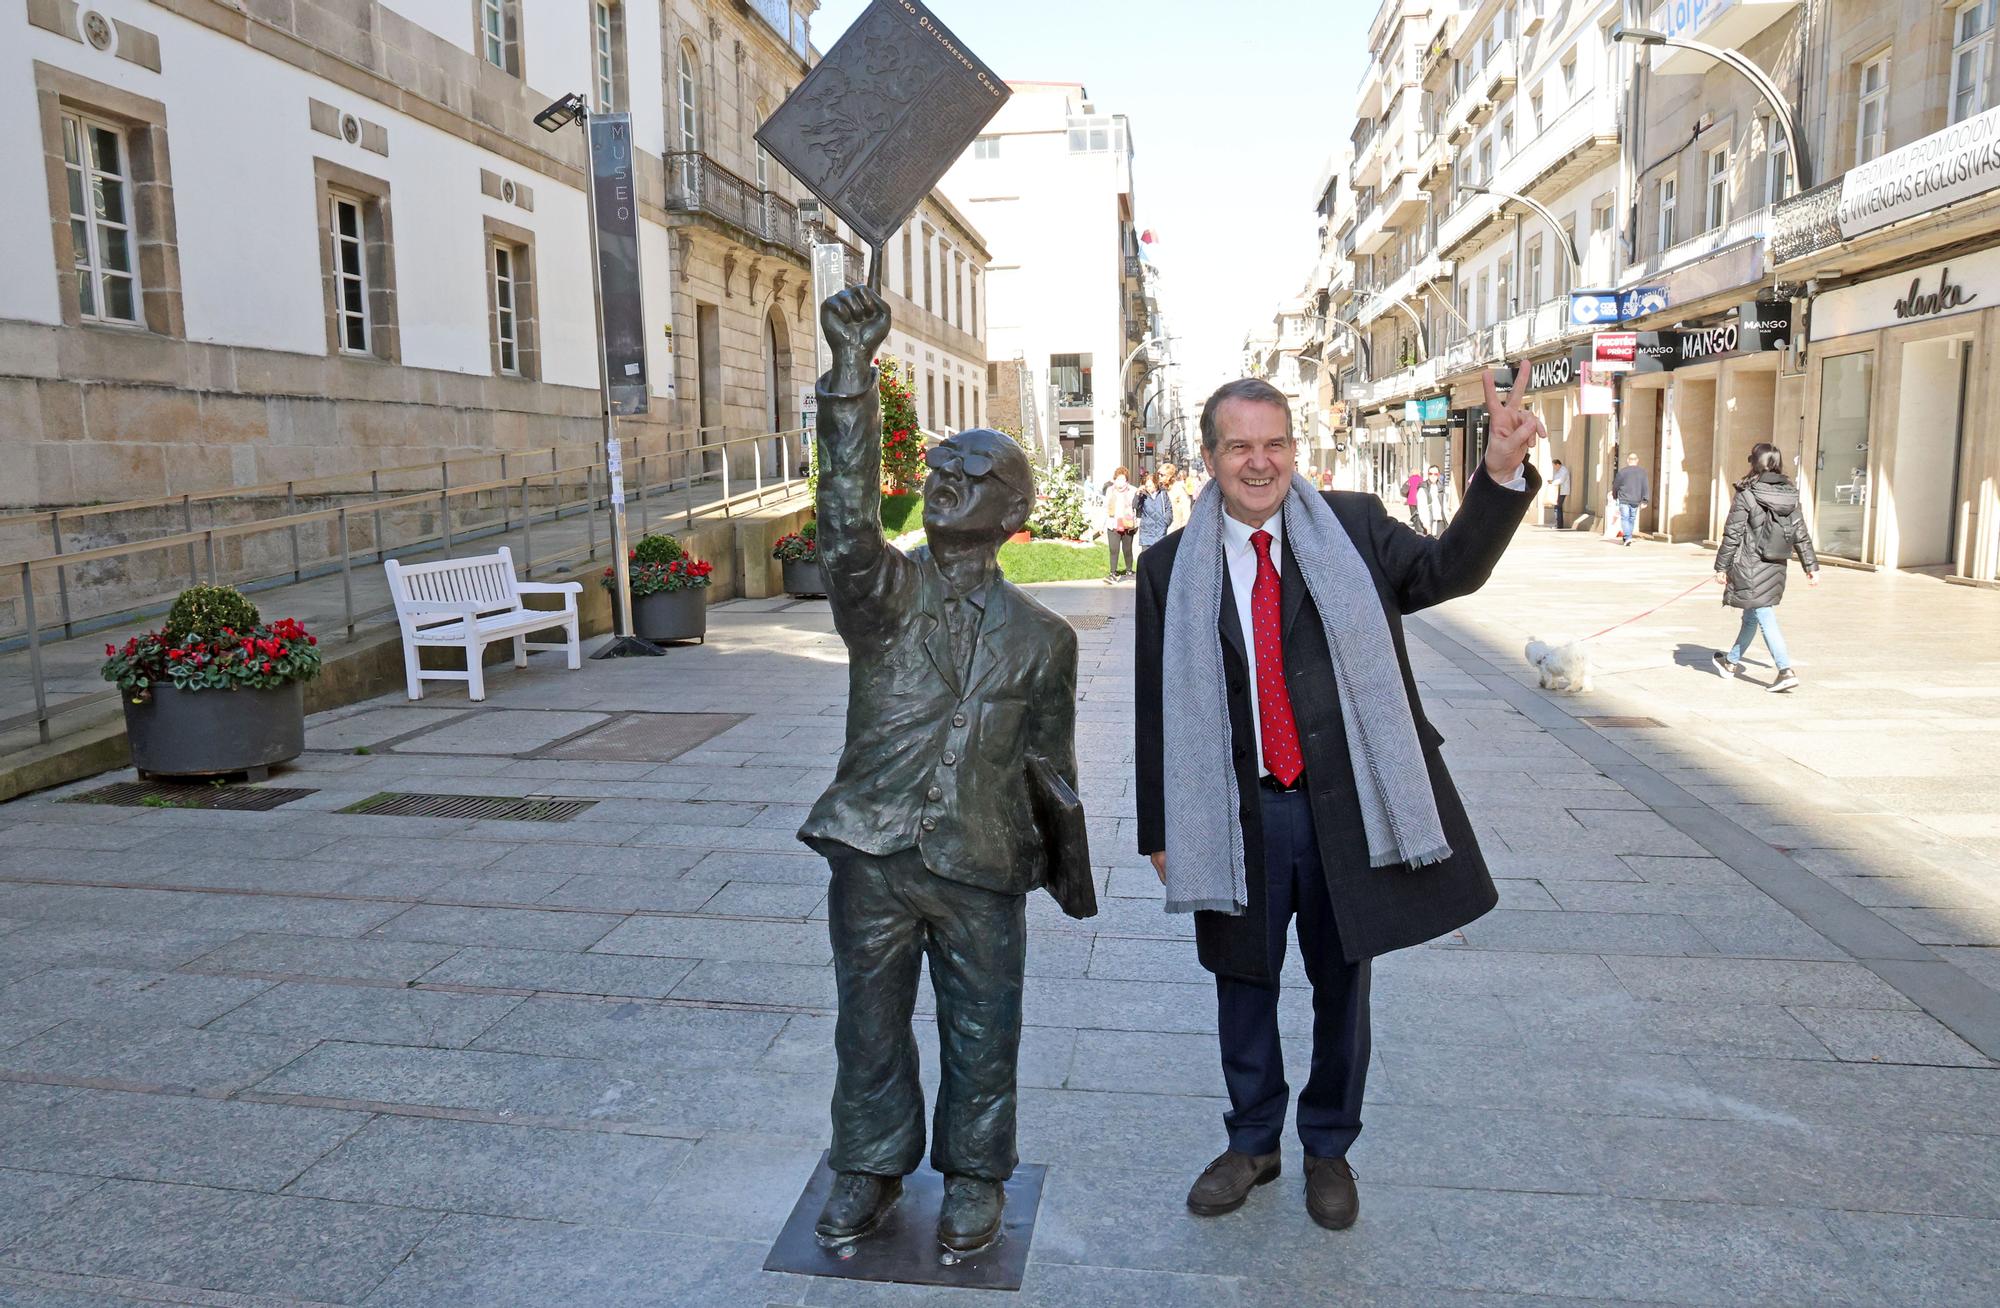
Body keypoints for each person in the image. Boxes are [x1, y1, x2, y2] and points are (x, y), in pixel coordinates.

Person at [1134, 370, 1540, 1233]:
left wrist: (1499, 472)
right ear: (1208, 458)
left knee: (1340, 982)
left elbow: (1445, 572)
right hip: (1235, 812)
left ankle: (1327, 1147)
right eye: (1239, 446)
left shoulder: (1351, 528)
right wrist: (1162, 828)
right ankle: (1252, 1143)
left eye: (1275, 443)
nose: (1260, 462)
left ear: (1294, 449)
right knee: (1240, 981)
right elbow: (1155, 704)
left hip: (1346, 810)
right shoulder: (1168, 566)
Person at [799, 284, 1080, 1253]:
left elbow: (1051, 764)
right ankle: (870, 1165)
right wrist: (850, 372)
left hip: (981, 861)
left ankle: (974, 1176)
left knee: (980, 1029)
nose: (948, 476)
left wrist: (1061, 862)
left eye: (975, 468)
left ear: (1014, 512)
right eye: (940, 466)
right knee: (867, 1027)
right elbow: (841, 522)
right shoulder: (883, 592)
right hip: (872, 847)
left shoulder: (1045, 639)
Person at [1711, 442, 1819, 694]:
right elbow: (1800, 534)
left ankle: (1785, 670)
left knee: (1764, 616)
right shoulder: (1790, 494)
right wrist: (1810, 566)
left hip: (1750, 564)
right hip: (1776, 565)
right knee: (1752, 614)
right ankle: (1731, 662)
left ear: (1754, 463)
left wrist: (1721, 567)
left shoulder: (1747, 494)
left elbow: (1732, 533)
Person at [1104, 466, 1139, 582]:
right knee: (1114, 549)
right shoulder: (1110, 491)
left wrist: (1136, 523)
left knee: (1127, 549)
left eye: (1123, 479)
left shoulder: (1133, 490)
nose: (1120, 482)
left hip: (1127, 524)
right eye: (1118, 479)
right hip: (1113, 524)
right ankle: (1112, 572)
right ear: (1115, 479)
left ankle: (1129, 570)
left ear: (1126, 480)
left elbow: (1136, 508)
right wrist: (1102, 524)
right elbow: (1105, 507)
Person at [1612, 453, 1650, 546]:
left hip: (1624, 499)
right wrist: (1645, 500)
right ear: (1637, 460)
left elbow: (1615, 486)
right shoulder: (1642, 472)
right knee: (1631, 519)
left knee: (1625, 518)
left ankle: (1627, 537)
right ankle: (1627, 537)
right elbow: (1645, 486)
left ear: (1628, 460)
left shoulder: (1622, 472)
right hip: (1635, 499)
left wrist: (1615, 496)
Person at [1135, 469, 1174, 553]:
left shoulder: (1163, 494)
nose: (1148, 488)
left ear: (1155, 484)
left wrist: (1166, 522)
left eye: (1150, 485)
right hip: (1146, 532)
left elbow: (1169, 509)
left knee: (1159, 559)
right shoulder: (1143, 494)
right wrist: (1138, 494)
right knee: (1146, 559)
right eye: (1147, 486)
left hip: (1160, 531)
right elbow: (1135, 506)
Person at [1418, 465, 1449, 536]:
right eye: (1430, 473)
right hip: (1429, 524)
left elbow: (1444, 507)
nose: (1433, 476)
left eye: (1435, 474)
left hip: (1441, 524)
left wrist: (1447, 522)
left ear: (1438, 475)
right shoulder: (1423, 489)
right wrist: (1426, 525)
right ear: (1428, 475)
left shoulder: (1441, 488)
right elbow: (1422, 508)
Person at [1165, 463, 1194, 532]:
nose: (1159, 477)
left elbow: (1185, 513)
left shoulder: (1180, 486)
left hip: (1174, 528)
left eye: (1162, 475)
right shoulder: (1161, 489)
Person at [1549, 458, 1571, 530]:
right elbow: (1557, 480)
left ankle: (1558, 524)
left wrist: (1553, 482)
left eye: (1554, 466)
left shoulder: (1563, 470)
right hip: (1558, 491)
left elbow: (1561, 480)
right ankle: (1559, 524)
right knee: (1558, 507)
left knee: (1557, 507)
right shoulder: (1559, 471)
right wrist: (1552, 481)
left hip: (1562, 491)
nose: (1554, 468)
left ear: (1558, 464)